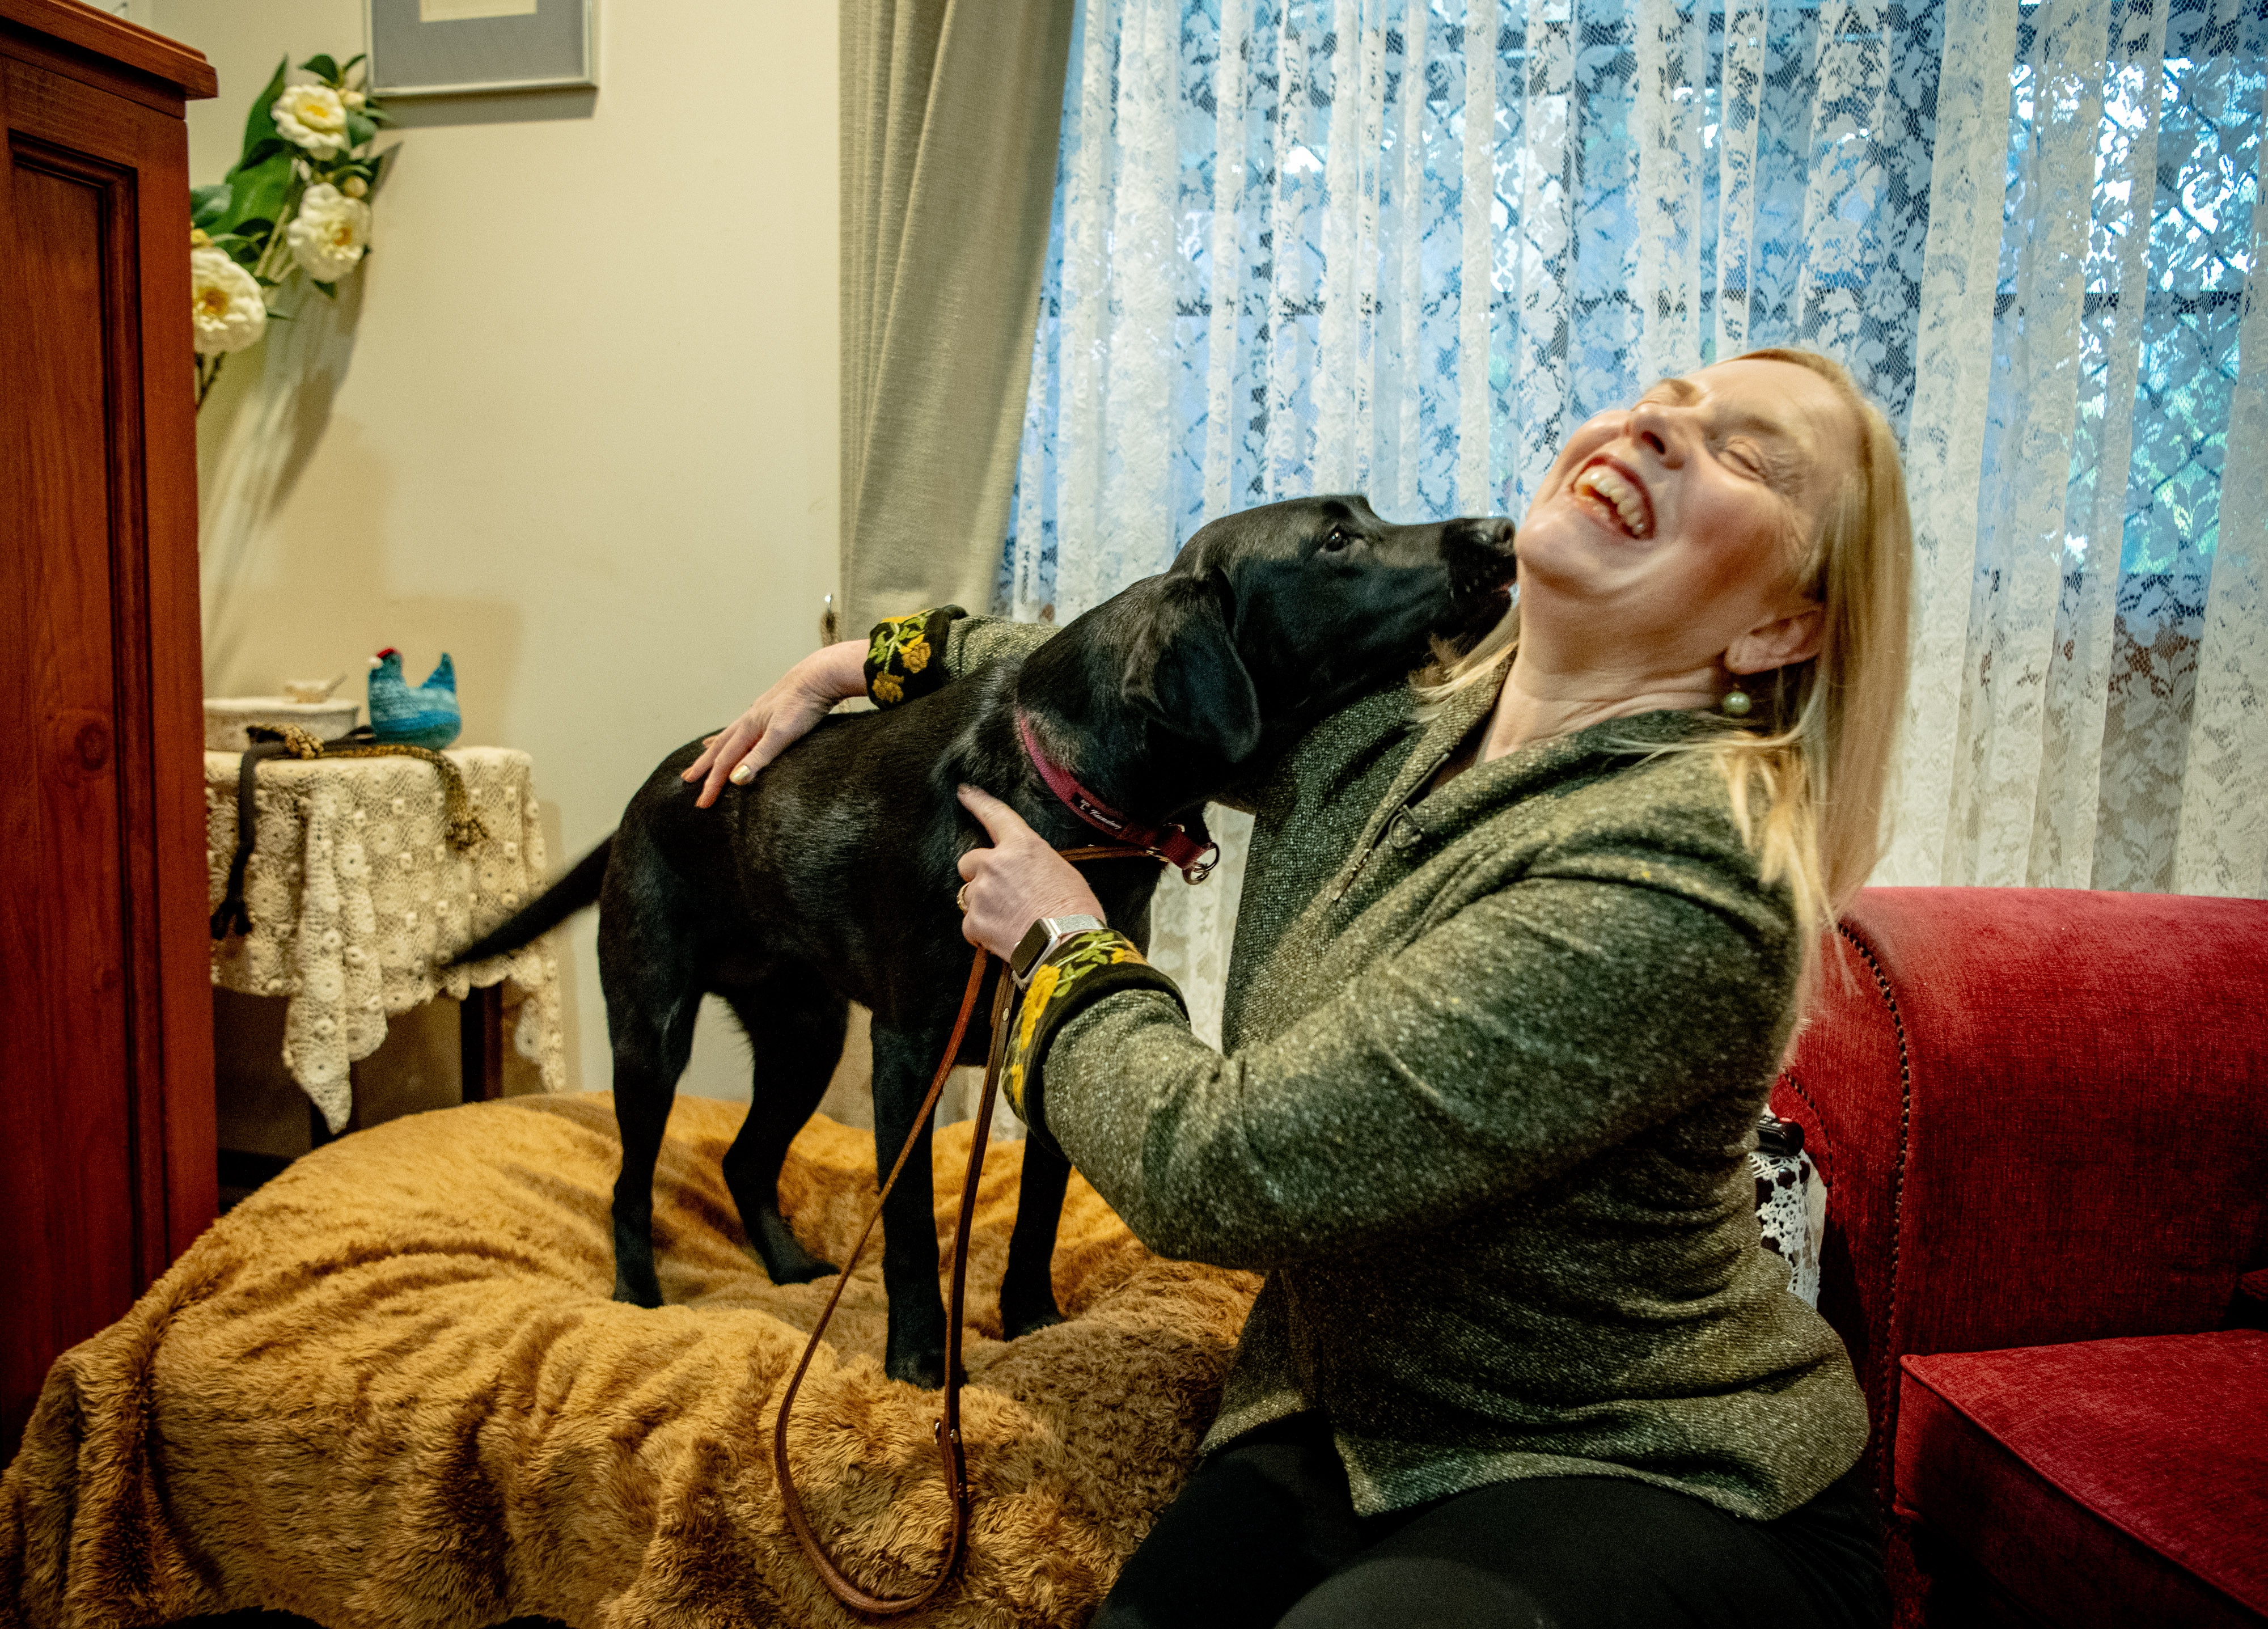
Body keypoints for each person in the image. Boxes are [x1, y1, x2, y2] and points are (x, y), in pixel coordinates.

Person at [686, 348, 1910, 1628]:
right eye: (1663, 402)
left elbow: (1220, 1170)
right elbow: (1135, 654)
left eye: (1742, 455)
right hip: (1338, 1422)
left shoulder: (1683, 871)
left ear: (1780, 624)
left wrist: (1065, 943)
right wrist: (874, 661)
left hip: (1636, 1461)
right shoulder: (1393, 726)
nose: (1660, 429)